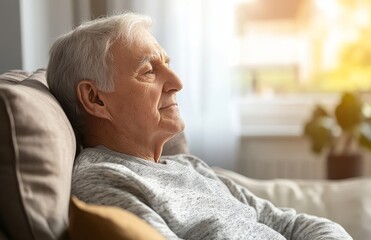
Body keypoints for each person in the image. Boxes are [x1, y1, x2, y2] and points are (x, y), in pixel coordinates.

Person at [47, 13, 352, 240]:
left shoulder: (189, 166)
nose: (177, 83)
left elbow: (292, 223)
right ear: (94, 98)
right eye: (148, 71)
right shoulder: (104, 179)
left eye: (168, 65)